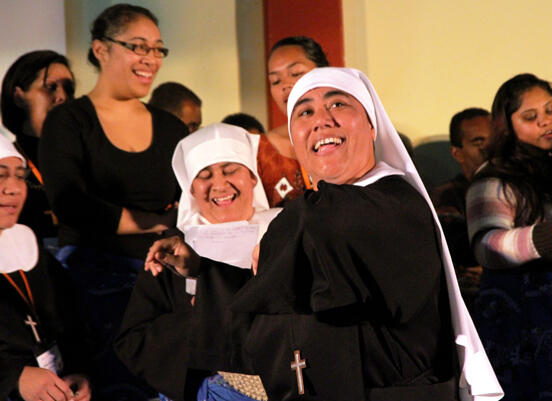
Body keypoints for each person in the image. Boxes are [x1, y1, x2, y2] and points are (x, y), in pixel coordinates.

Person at [146, 68, 503, 401]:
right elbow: (285, 292)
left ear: (371, 125)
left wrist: (278, 235)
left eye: (337, 103)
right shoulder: (313, 215)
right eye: (304, 113)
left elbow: (318, 240)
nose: (321, 120)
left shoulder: (393, 202)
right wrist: (203, 269)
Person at [39, 4, 187, 398]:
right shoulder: (69, 121)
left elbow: (187, 205)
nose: (151, 59)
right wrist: (155, 222)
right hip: (90, 286)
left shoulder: (170, 127)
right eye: (138, 46)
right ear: (101, 49)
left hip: (162, 285)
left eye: (158, 49)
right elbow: (72, 204)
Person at [115, 123, 280, 401]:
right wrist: (202, 316)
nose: (219, 184)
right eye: (204, 176)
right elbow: (133, 342)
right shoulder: (171, 250)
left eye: (230, 170)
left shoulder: (283, 229)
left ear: (252, 177)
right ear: (190, 189)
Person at [466, 73, 552, 401]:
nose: (545, 122)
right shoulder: (494, 178)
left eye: (550, 111)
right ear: (508, 127)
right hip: (522, 322)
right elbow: (486, 246)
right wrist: (545, 237)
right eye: (530, 117)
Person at [0, 135, 91, 401]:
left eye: (20, 176)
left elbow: (71, 322)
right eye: (1, 175)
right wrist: (12, 378)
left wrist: (79, 373)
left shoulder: (28, 245)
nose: (14, 188)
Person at [0, 50, 75, 244]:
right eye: (50, 87)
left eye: (68, 89)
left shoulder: (84, 160)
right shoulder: (9, 161)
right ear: (18, 97)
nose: (62, 97)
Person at [259, 36, 329, 207]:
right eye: (275, 80)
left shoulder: (348, 132)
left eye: (296, 73)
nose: (285, 85)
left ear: (324, 73)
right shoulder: (260, 150)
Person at [432, 108, 491, 309]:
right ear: (457, 153)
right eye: (478, 142)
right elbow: (461, 257)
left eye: (494, 139)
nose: (489, 148)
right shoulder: (444, 197)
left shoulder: (517, 190)